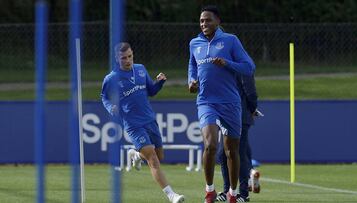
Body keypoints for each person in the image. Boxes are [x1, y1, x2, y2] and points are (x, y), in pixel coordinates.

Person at [101, 42, 185, 203]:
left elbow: (151, 91)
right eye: (123, 58)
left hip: (150, 119)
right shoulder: (111, 78)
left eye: (130, 56)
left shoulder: (140, 69)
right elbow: (104, 97)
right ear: (117, 59)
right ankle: (171, 195)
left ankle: (136, 155)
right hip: (133, 125)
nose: (127, 60)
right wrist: (110, 107)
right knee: (153, 158)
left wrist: (160, 82)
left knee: (159, 156)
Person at [188, 5, 255, 203]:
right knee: (209, 145)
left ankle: (233, 194)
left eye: (208, 20)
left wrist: (228, 63)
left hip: (230, 102)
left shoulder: (230, 40)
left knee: (231, 151)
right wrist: (191, 81)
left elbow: (249, 67)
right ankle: (209, 190)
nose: (204, 24)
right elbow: (192, 64)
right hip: (206, 101)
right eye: (201, 21)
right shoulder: (194, 43)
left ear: (218, 21)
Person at [216, 74, 261, 202]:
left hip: (240, 115)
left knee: (237, 153)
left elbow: (251, 92)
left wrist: (252, 109)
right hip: (226, 115)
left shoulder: (243, 65)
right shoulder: (224, 66)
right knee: (223, 154)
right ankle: (228, 191)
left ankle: (243, 193)